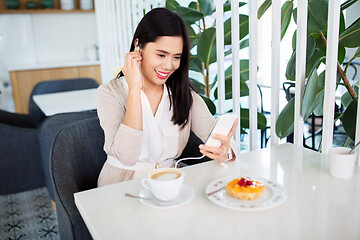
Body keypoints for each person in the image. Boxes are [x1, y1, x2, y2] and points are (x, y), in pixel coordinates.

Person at [97, 7, 238, 187]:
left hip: (168, 183)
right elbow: (127, 155)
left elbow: (221, 141)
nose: (169, 65)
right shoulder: (110, 92)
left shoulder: (184, 94)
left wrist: (225, 151)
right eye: (161, 55)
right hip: (120, 187)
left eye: (176, 57)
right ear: (138, 46)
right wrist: (134, 90)